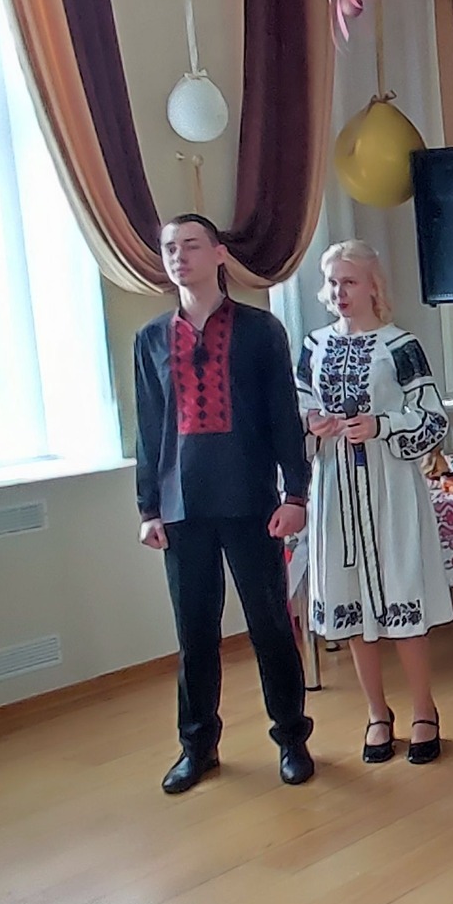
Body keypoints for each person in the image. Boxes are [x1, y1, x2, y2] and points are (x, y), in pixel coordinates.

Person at [133, 214, 314, 794]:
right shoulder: (150, 339)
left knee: (270, 625)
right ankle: (197, 747)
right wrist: (147, 508)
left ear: (217, 255)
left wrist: (296, 493)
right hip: (181, 507)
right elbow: (149, 428)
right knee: (194, 634)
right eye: (169, 247)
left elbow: (284, 416)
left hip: (250, 499)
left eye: (190, 245)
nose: (178, 256)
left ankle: (291, 738)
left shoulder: (261, 331)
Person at [297, 240, 453, 766]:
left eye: (350, 281)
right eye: (333, 282)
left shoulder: (400, 345)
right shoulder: (313, 346)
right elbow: (296, 405)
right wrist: (311, 423)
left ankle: (424, 710)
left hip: (390, 485)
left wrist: (382, 425)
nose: (340, 292)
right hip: (335, 484)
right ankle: (376, 713)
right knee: (350, 600)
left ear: (373, 286)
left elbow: (431, 416)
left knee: (401, 592)